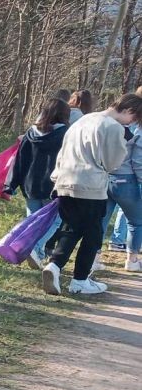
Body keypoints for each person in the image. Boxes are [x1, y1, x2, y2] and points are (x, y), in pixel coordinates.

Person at [40, 93, 141, 295]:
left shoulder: (84, 119)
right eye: (134, 119)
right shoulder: (113, 127)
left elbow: (63, 151)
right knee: (93, 235)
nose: (132, 123)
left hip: (65, 181)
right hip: (90, 186)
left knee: (71, 229)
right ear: (129, 111)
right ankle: (79, 281)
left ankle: (54, 266)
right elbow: (112, 163)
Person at [3, 95, 70, 269]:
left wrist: (11, 184)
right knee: (54, 221)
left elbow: (20, 159)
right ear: (64, 115)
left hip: (30, 184)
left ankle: (27, 251)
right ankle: (36, 249)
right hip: (53, 185)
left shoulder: (30, 133)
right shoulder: (66, 134)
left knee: (32, 220)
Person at [102, 115, 142, 272]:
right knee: (136, 222)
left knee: (101, 220)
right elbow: (138, 160)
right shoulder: (138, 129)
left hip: (106, 177)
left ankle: (94, 257)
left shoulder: (112, 124)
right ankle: (132, 260)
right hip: (127, 179)